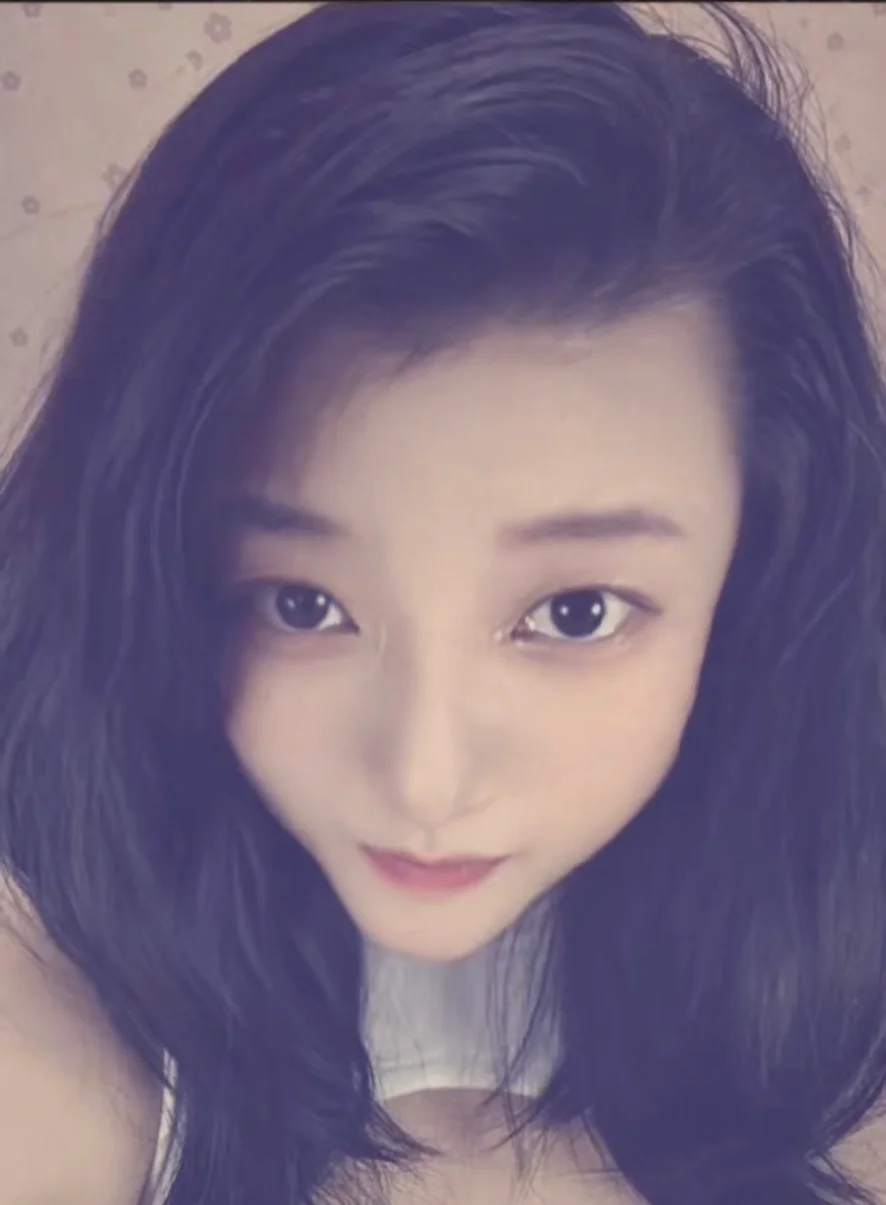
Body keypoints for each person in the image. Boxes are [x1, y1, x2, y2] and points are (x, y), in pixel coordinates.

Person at [2, 1, 886, 1202]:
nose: (425, 778)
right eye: (301, 603)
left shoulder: (792, 912)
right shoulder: (55, 990)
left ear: (760, 572)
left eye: (574, 613)